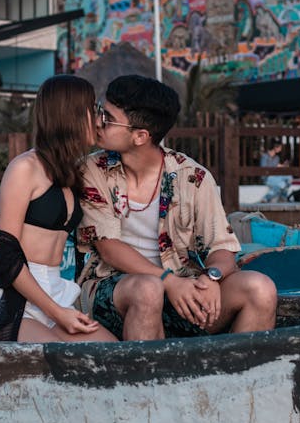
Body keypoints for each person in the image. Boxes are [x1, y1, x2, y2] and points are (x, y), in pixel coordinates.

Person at [77, 75, 277, 341]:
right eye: (101, 111)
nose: (98, 122)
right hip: (115, 289)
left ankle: (235, 379)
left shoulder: (192, 176)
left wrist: (212, 278)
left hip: (182, 288)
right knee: (148, 290)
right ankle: (148, 380)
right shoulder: (92, 170)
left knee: (260, 288)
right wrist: (167, 281)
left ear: (140, 136)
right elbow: (108, 247)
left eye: (108, 118)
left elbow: (221, 247)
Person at [0, 75, 117, 343]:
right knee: (62, 361)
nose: (99, 120)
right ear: (71, 115)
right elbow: (4, 253)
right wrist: (57, 313)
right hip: (14, 298)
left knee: (111, 351)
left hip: (55, 291)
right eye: (93, 110)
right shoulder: (24, 168)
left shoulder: (73, 170)